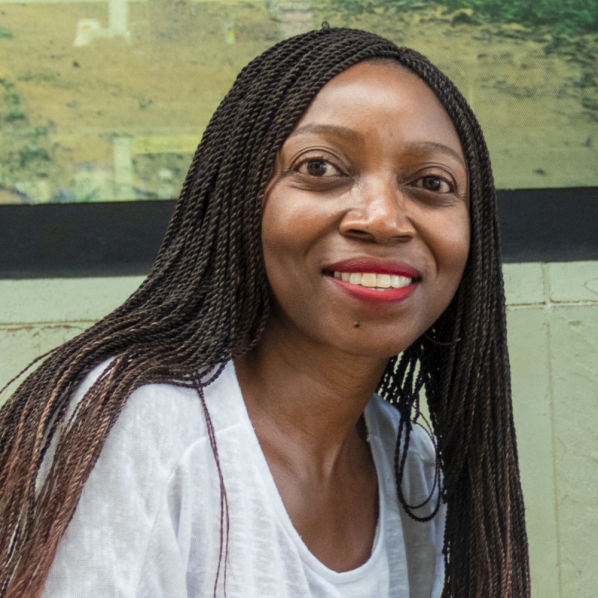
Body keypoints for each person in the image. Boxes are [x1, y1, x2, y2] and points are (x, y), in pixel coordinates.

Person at [0, 27, 530, 598]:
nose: (382, 218)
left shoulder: (412, 470)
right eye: (320, 168)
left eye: (430, 182)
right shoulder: (145, 429)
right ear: (239, 197)